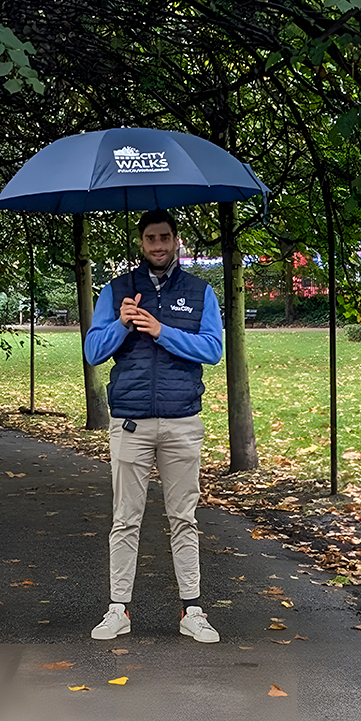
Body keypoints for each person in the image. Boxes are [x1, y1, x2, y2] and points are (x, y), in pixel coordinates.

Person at [83, 209, 224, 644]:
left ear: (176, 240)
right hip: (130, 421)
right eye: (150, 238)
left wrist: (162, 331)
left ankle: (193, 610)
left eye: (165, 237)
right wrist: (123, 325)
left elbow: (213, 349)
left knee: (184, 517)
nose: (158, 245)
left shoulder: (201, 292)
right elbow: (92, 350)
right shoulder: (117, 290)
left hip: (183, 420)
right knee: (125, 519)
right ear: (141, 243)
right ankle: (118, 610)